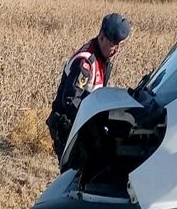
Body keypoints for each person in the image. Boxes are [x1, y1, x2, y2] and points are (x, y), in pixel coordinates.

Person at [46, 12, 131, 161]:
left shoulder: (102, 58)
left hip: (80, 124)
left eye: (119, 45)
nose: (116, 50)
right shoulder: (85, 63)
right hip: (67, 126)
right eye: (113, 44)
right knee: (76, 174)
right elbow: (71, 101)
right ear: (102, 37)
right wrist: (93, 123)